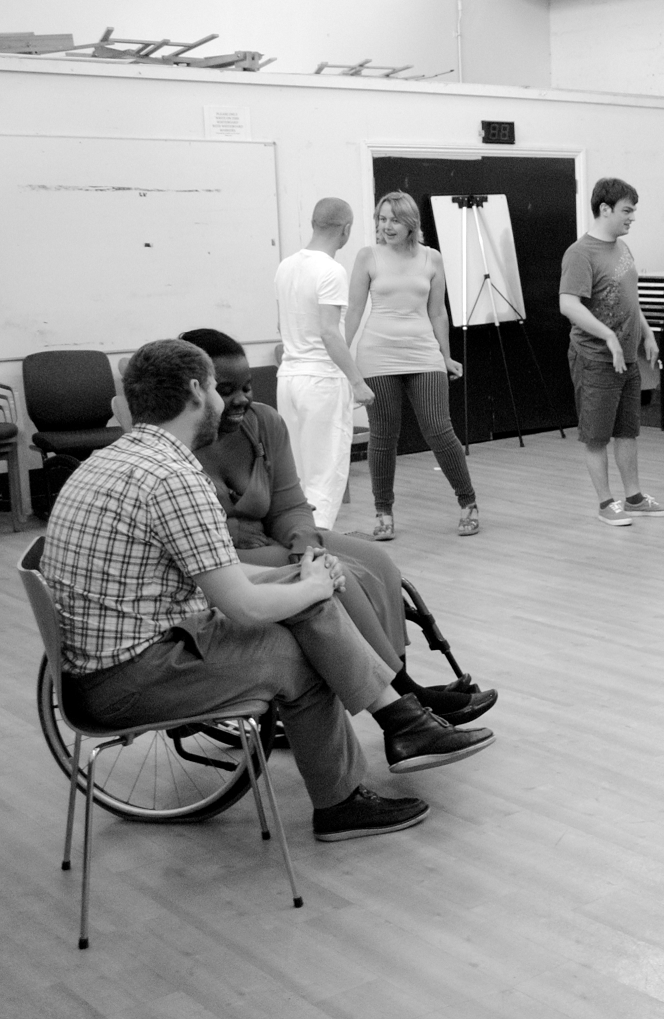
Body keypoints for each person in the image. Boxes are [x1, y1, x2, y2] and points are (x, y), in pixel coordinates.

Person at [41, 339, 494, 842]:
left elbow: (219, 574)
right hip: (127, 679)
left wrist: (306, 582)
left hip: (114, 656)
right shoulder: (173, 476)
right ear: (196, 389)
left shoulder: (116, 457)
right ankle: (357, 780)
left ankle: (401, 722)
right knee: (301, 656)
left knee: (309, 595)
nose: (222, 398)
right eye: (216, 386)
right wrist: (309, 585)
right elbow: (243, 604)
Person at [178, 328, 497, 726]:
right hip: (225, 558)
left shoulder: (264, 422)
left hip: (275, 537)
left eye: (246, 386)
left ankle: (400, 674)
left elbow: (290, 503)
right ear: (199, 390)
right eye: (226, 390)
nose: (241, 399)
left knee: (377, 560)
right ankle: (405, 694)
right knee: (341, 574)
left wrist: (306, 550)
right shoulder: (178, 443)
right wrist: (314, 562)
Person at [344, 191, 480, 540]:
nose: (386, 226)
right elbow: (355, 311)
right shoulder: (367, 256)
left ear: (411, 224)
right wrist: (342, 358)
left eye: (394, 220)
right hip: (377, 354)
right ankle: (383, 512)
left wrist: (445, 355)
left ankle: (468, 503)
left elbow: (437, 311)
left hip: (423, 353)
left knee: (438, 428)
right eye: (381, 219)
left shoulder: (431, 258)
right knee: (383, 435)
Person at [558, 177, 664, 526]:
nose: (632, 217)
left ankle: (635, 498)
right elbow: (568, 304)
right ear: (605, 209)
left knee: (627, 431)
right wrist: (607, 335)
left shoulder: (623, 250)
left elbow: (629, 298)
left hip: (626, 357)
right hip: (595, 358)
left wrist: (647, 334)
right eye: (627, 210)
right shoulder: (580, 253)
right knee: (597, 436)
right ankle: (606, 503)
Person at [274, 197, 372, 531]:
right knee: (325, 473)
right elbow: (330, 334)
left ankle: (298, 541)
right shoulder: (331, 270)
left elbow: (282, 326)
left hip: (288, 378)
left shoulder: (286, 266)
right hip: (320, 381)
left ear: (314, 223)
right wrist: (357, 381)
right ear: (345, 230)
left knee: (298, 472)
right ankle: (316, 548)